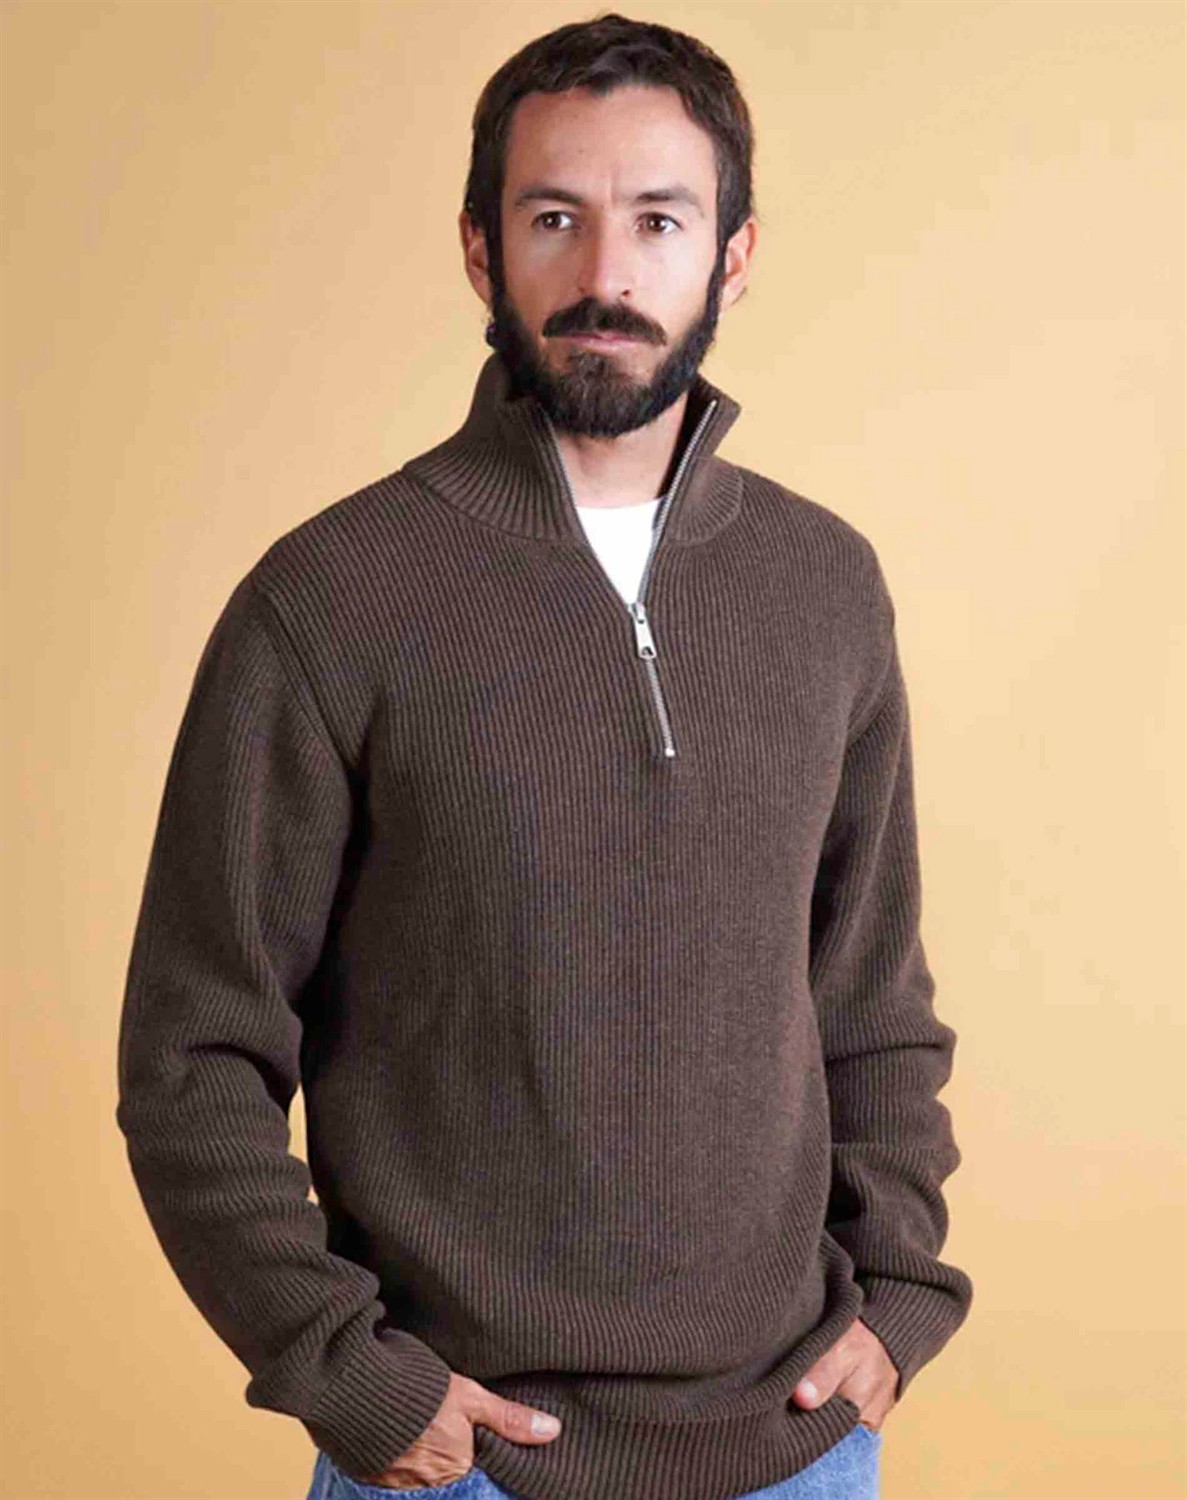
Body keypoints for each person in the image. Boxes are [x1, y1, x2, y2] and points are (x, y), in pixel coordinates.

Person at [115, 13, 973, 1500]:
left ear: (735, 256)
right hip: (460, 1465)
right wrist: (346, 1369)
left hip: (797, 1449)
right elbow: (193, 1053)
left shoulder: (825, 585)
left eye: (660, 221)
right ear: (480, 250)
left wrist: (899, 1293)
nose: (605, 275)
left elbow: (870, 997)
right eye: (555, 218)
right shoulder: (331, 598)